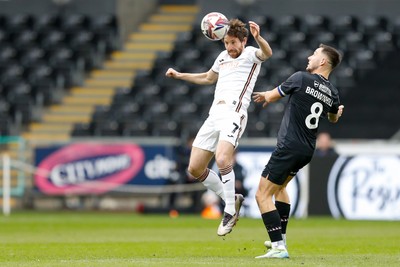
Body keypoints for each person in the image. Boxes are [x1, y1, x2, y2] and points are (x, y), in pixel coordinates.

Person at [165, 18, 273, 236]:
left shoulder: (251, 53)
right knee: (194, 168)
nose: (230, 47)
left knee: (223, 159)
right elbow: (207, 77)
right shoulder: (222, 57)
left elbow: (267, 54)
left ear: (243, 41)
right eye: (226, 43)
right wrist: (179, 75)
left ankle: (230, 211)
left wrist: (259, 38)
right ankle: (230, 198)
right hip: (214, 115)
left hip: (234, 113)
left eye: (233, 43)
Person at [252, 44, 344, 258]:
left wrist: (265, 95)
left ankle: (278, 247)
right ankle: (280, 239)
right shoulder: (333, 92)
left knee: (262, 194)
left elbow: (273, 96)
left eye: (314, 55)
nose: (309, 57)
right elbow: (332, 118)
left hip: (289, 145)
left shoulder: (301, 78)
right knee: (281, 188)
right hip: (306, 149)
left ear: (322, 62)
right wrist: (337, 112)